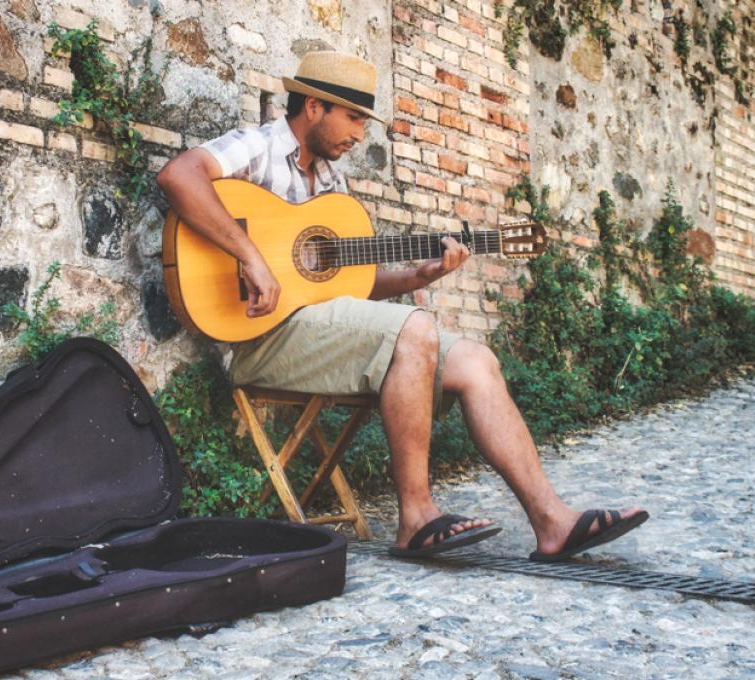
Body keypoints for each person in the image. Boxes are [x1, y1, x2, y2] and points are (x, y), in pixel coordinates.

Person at [156, 51, 648, 561]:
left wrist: (419, 275)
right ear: (314, 106)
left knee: (476, 361)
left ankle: (553, 522)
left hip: (318, 335)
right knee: (415, 329)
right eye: (353, 118)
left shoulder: (330, 186)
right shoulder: (259, 146)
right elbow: (179, 176)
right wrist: (251, 257)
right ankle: (416, 518)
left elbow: (350, 291)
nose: (359, 134)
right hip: (258, 338)